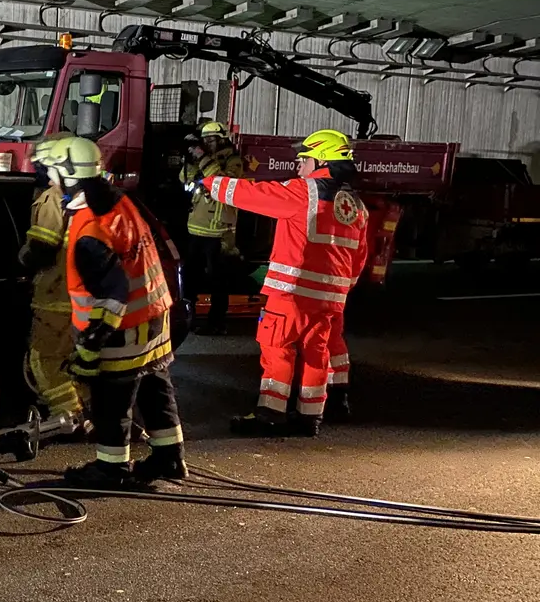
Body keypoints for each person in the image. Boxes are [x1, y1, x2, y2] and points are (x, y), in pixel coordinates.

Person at [33, 135, 185, 489]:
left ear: (67, 173)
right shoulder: (121, 203)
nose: (48, 176)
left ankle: (111, 469)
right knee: (154, 391)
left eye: (52, 169)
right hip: (154, 321)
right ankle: (169, 459)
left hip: (123, 331)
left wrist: (88, 350)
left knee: (111, 402)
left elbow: (111, 296)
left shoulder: (90, 228)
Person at [200, 128, 368, 437]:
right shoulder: (356, 206)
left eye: (303, 159)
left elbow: (253, 194)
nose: (298, 166)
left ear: (320, 161)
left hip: (291, 294)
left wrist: (210, 182)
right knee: (316, 353)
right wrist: (340, 289)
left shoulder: (304, 192)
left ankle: (270, 415)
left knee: (277, 349)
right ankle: (310, 417)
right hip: (330, 299)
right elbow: (359, 257)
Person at [18, 157, 84, 424]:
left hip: (54, 297)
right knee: (75, 364)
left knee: (43, 362)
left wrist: (22, 256)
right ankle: (86, 409)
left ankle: (69, 416)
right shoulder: (84, 198)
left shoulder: (51, 199)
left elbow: (42, 250)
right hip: (79, 298)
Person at [180, 121, 244, 334]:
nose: (207, 143)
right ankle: (188, 318)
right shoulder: (204, 160)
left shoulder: (234, 161)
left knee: (218, 282)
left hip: (219, 232)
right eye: (204, 140)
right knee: (190, 277)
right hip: (196, 229)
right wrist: (190, 161)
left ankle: (216, 324)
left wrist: (201, 156)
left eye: (210, 140)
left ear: (222, 139)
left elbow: (220, 180)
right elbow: (185, 179)